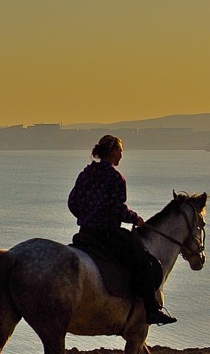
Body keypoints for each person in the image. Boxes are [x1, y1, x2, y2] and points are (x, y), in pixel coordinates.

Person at [68, 135, 177, 325]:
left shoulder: (85, 174)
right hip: (107, 234)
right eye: (120, 151)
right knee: (144, 263)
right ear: (112, 152)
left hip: (85, 233)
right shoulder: (116, 177)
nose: (121, 155)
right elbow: (118, 209)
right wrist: (136, 219)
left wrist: (86, 217)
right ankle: (151, 310)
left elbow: (72, 203)